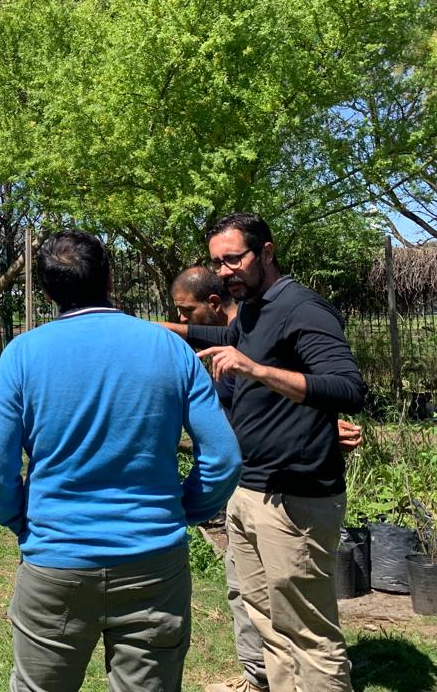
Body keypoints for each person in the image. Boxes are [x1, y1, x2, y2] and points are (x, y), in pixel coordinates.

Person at [0, 230, 242, 692]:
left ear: (45, 292)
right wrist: (183, 511)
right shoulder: (170, 350)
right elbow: (223, 458)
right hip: (154, 565)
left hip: (55, 562)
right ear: (110, 279)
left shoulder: (22, 354)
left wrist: (21, 521)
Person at [163, 214, 366, 692]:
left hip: (293, 497)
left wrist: (256, 370)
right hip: (250, 490)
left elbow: (347, 387)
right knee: (270, 625)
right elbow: (224, 338)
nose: (225, 271)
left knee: (308, 634)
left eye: (235, 258)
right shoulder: (253, 310)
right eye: (218, 262)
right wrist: (153, 329)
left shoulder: (302, 308)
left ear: (267, 253)